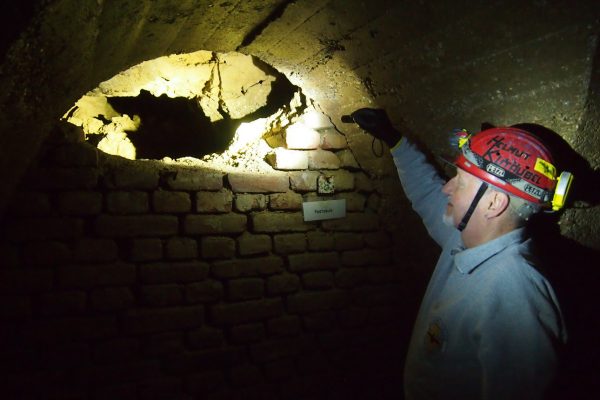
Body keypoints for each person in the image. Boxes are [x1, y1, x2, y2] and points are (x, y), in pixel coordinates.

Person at [348, 108, 570, 400]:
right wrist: (393, 139)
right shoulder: (467, 239)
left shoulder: (515, 294)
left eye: (460, 182)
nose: (447, 188)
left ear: (493, 203)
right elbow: (426, 191)